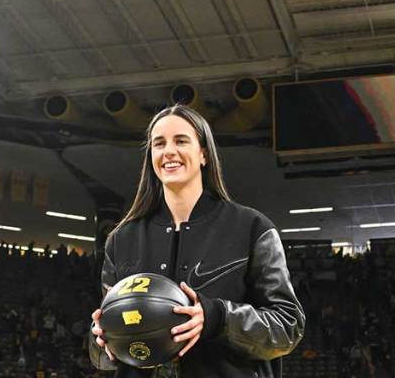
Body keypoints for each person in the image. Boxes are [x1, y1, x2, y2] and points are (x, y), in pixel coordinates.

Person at [89, 105, 306, 377]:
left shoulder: (252, 228)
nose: (169, 151)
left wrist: (218, 318)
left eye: (181, 141)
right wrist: (102, 339)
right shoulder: (121, 239)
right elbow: (103, 355)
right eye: (159, 144)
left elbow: (288, 326)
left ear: (204, 154)